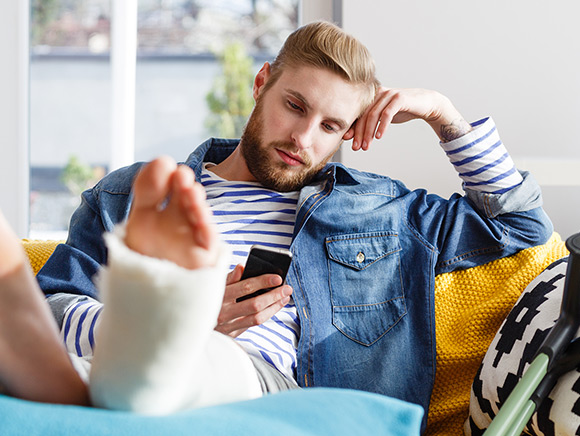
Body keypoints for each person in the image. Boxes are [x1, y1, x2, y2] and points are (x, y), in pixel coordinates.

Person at [33, 20, 552, 428]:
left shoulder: (383, 212)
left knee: (193, 362)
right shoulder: (131, 194)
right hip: (128, 381)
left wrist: (444, 115)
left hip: (289, 404)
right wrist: (187, 322)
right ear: (262, 83)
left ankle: (156, 346)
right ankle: (151, 347)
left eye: (330, 126)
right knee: (48, 351)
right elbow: (53, 308)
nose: (303, 137)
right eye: (295, 106)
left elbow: (522, 226)